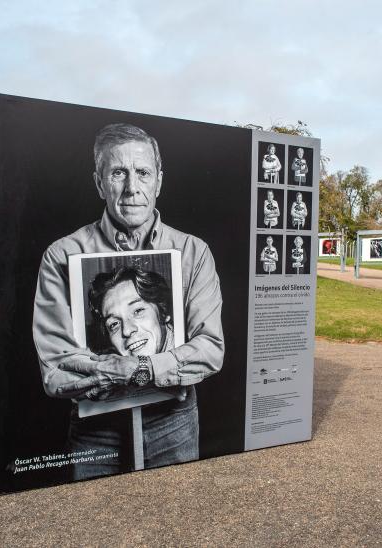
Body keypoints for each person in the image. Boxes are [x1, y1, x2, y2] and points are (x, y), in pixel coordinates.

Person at [32, 123, 224, 479]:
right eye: (119, 173)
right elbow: (56, 370)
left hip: (174, 421)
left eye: (143, 173)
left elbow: (210, 348)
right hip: (96, 430)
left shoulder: (193, 253)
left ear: (159, 181)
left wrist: (141, 369)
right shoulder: (62, 255)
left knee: (175, 519)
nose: (133, 188)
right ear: (99, 182)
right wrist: (113, 370)